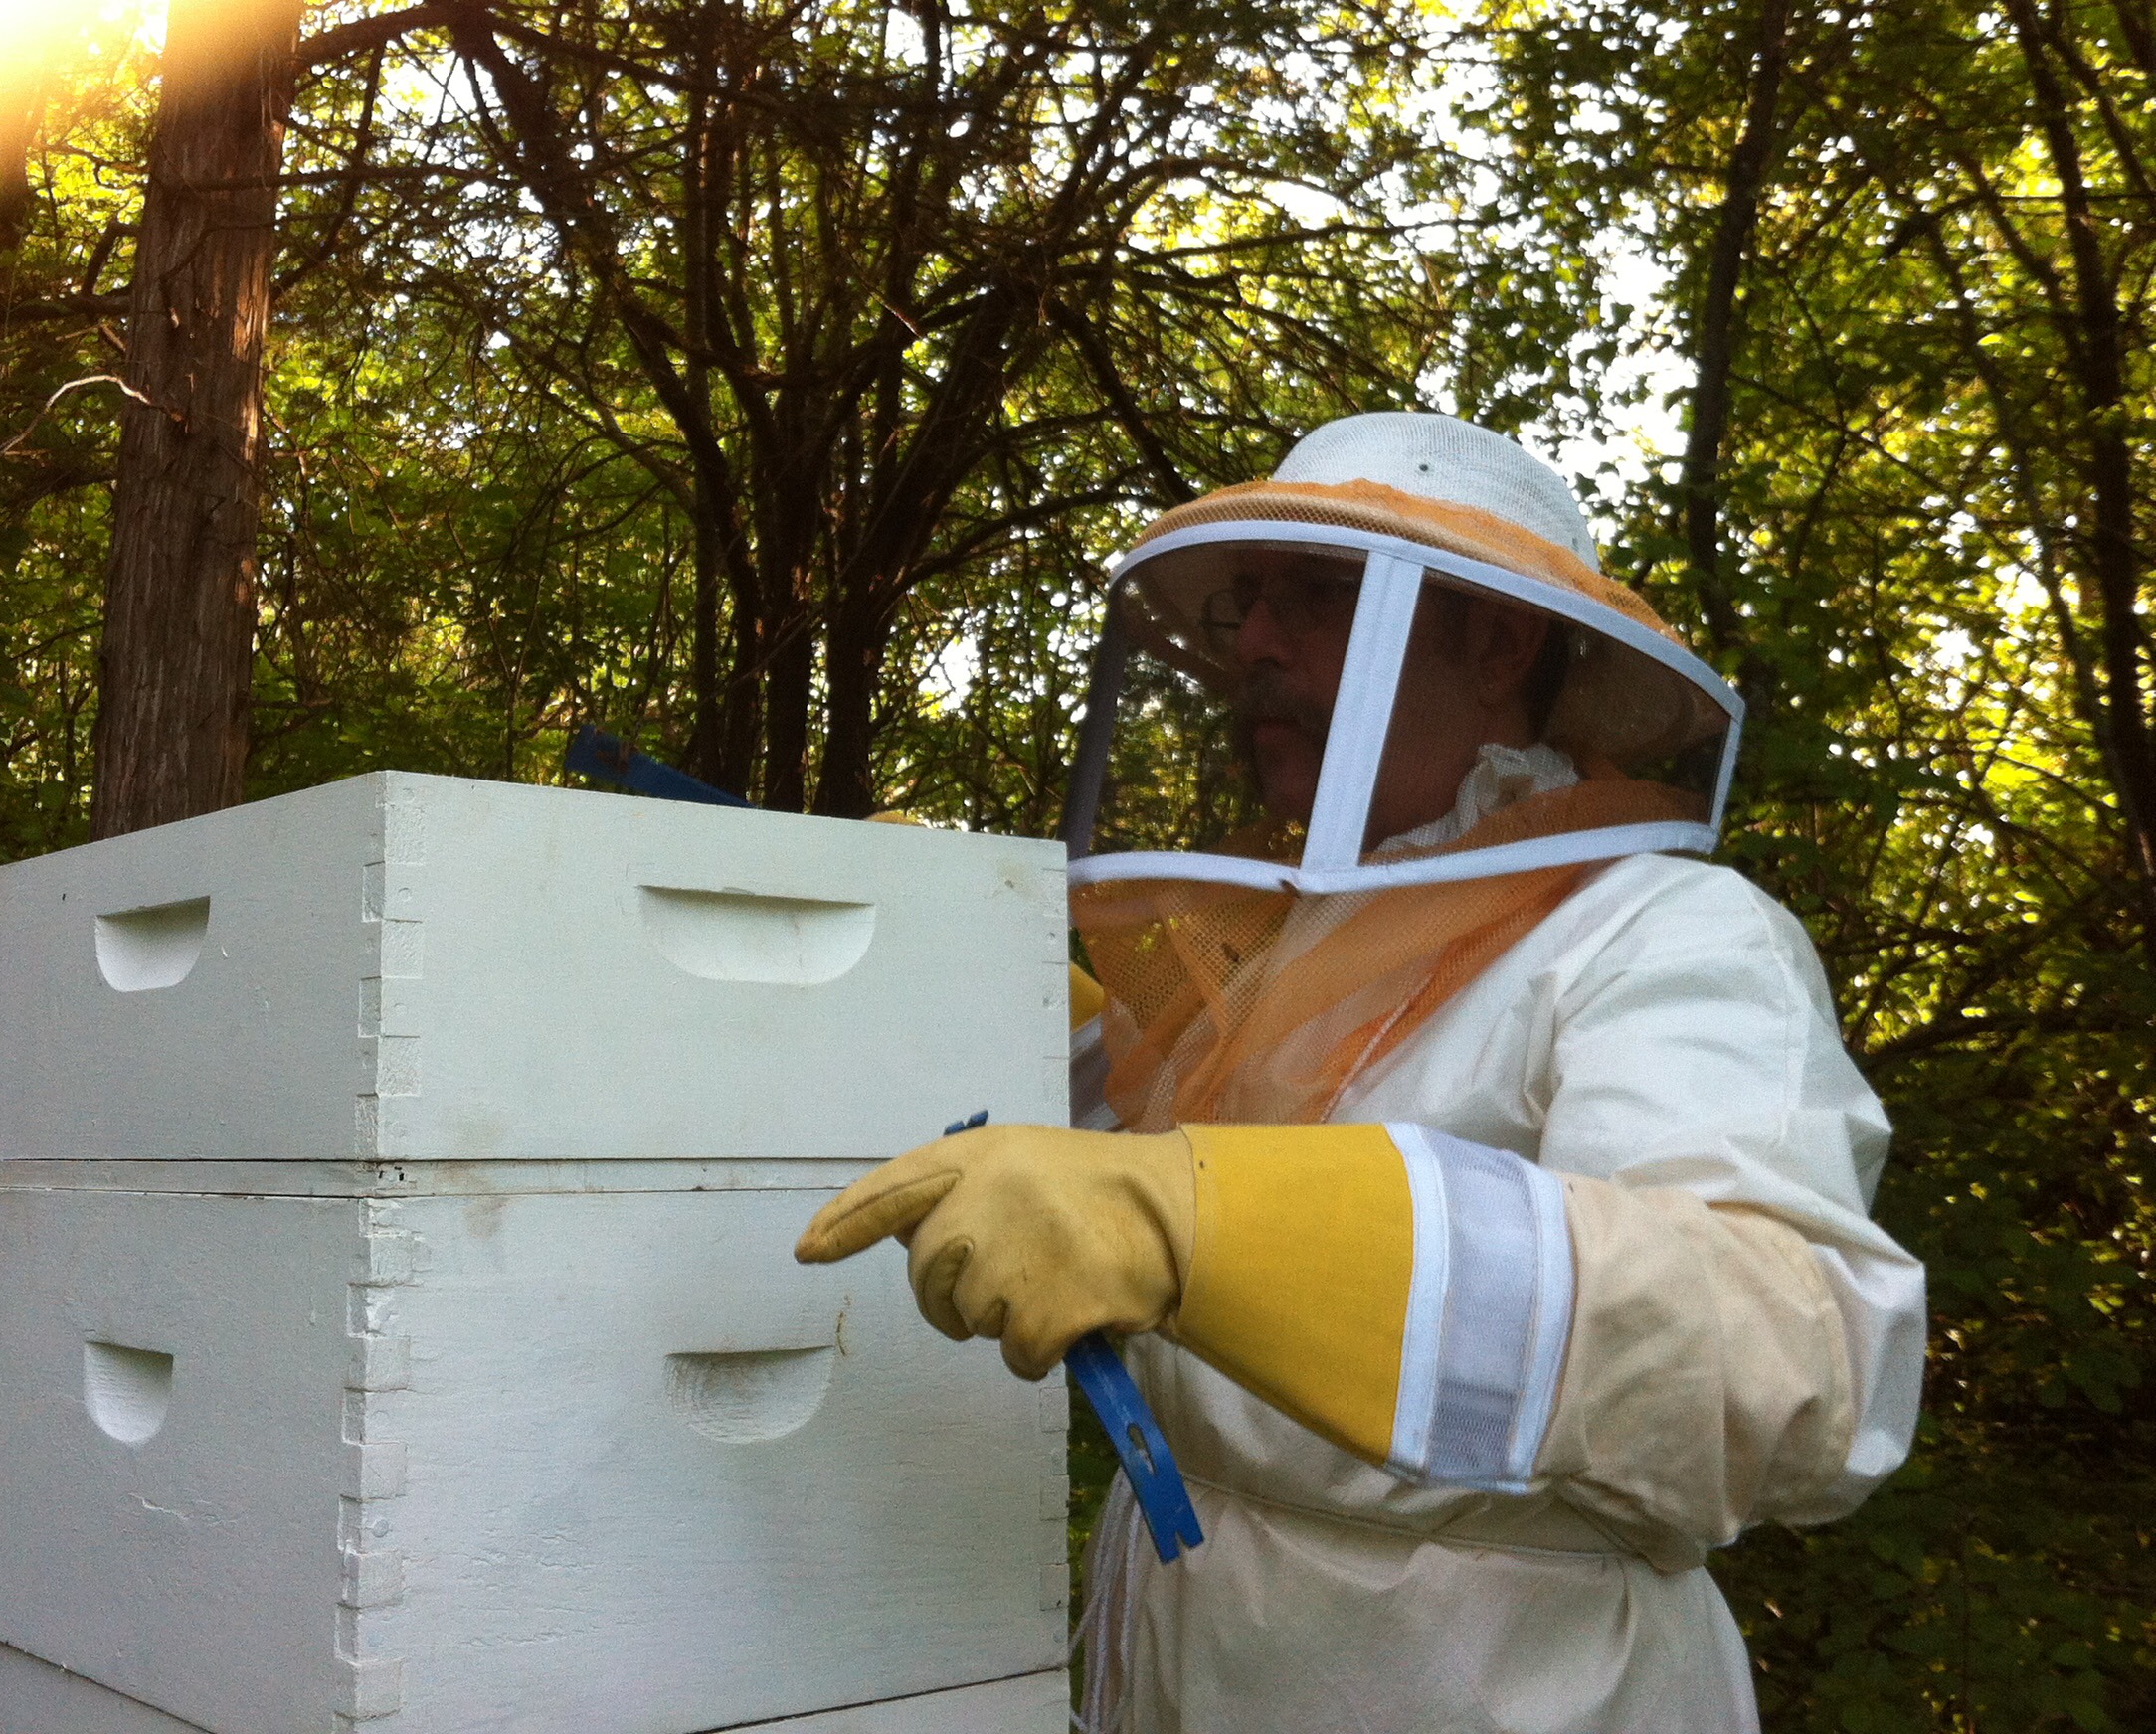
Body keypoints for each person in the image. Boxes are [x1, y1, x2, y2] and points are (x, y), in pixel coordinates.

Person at [796, 413, 1925, 1734]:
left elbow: (1791, 1361)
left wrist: (1195, 1219)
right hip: (1188, 1633)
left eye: (1317, 598)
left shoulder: (1663, 934)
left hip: (1485, 1679)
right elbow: (1140, 1166)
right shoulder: (1291, 931)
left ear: (1496, 645)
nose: (1254, 644)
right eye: (1248, 605)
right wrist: (953, 979)